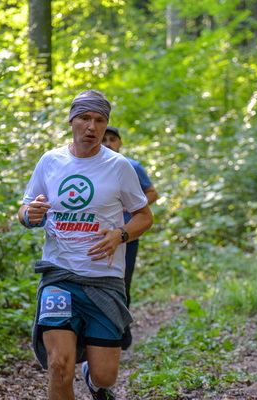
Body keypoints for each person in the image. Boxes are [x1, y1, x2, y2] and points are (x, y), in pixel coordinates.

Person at [18, 89, 153, 400]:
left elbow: (144, 217)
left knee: (106, 375)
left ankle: (93, 378)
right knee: (58, 365)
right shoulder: (50, 161)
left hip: (104, 279)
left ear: (106, 125)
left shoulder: (119, 166)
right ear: (71, 121)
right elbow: (26, 210)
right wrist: (29, 214)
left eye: (99, 120)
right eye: (84, 118)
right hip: (59, 275)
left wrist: (120, 234)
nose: (92, 127)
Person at [101, 126, 158, 350]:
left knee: (122, 283)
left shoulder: (132, 166)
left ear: (120, 143)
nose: (108, 143)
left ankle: (123, 330)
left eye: (112, 139)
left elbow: (152, 192)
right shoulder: (91, 167)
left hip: (127, 236)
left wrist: (131, 206)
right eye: (104, 139)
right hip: (95, 236)